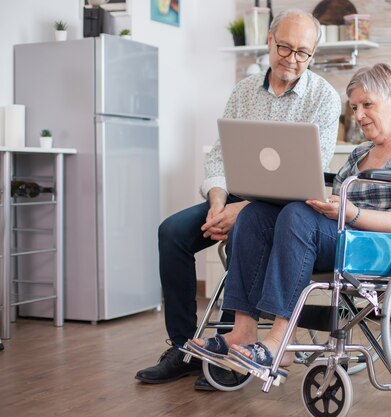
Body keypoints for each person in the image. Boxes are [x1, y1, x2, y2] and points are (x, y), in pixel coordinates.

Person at [186, 63, 391, 378]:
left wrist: (351, 213)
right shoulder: (358, 154)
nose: (359, 115)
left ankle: (280, 341)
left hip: (387, 248)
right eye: (354, 107)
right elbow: (337, 209)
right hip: (345, 240)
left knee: (297, 216)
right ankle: (242, 330)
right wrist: (323, 203)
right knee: (254, 215)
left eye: (368, 105)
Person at [135, 9, 342, 388]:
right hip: (232, 194)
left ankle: (233, 350)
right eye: (285, 47)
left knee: (249, 222)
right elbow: (219, 154)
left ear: (312, 54)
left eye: (303, 53)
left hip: (281, 205)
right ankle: (183, 349)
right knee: (172, 233)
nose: (292, 59)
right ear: (269, 41)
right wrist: (218, 202)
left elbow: (305, 176)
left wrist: (240, 208)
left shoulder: (323, 99)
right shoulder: (245, 91)